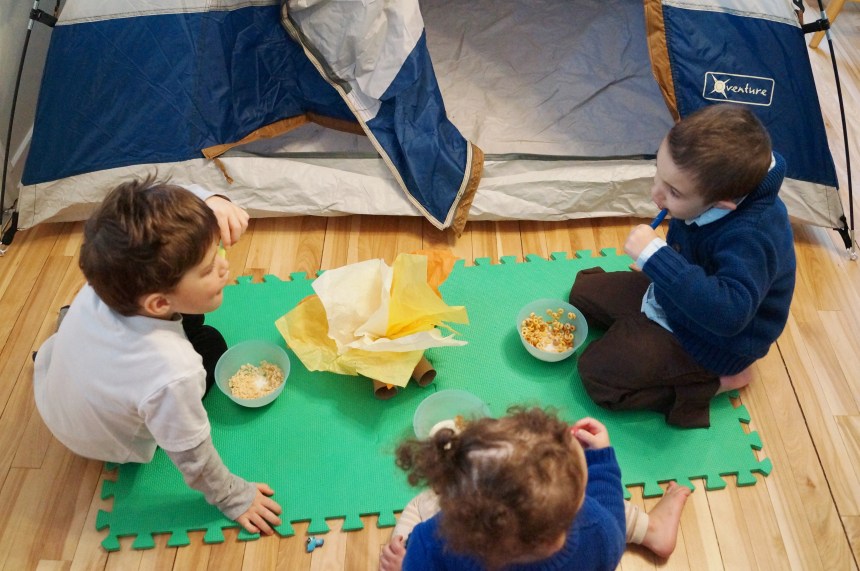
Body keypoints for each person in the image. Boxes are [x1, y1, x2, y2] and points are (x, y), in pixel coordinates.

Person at [33, 177, 283, 535]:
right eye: (209, 268)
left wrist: (208, 201)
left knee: (197, 323)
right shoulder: (173, 371)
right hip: (99, 437)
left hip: (58, 378)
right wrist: (234, 497)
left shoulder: (116, 269)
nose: (225, 268)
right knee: (212, 346)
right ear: (160, 303)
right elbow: (194, 457)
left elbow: (159, 198)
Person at [568, 103, 796, 428]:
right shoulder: (713, 188)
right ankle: (638, 336)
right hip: (678, 296)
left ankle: (712, 385)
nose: (656, 195)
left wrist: (659, 260)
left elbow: (728, 313)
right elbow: (694, 244)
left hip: (711, 340)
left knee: (597, 375)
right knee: (582, 291)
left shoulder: (753, 235)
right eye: (658, 173)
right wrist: (661, 266)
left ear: (722, 204)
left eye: (673, 192)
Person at [379, 407, 690, 571]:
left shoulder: (435, 542)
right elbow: (609, 510)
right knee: (612, 506)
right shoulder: (597, 528)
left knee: (420, 506)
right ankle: (653, 530)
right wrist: (602, 460)